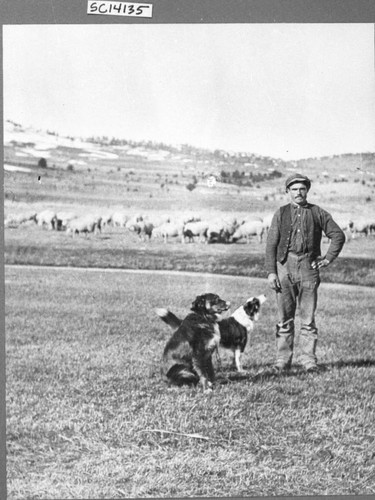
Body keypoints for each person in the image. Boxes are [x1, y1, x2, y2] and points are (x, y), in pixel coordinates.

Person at [265, 173, 346, 373]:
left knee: (308, 319)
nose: (298, 192)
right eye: (294, 189)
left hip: (309, 268)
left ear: (307, 190)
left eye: (302, 189)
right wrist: (271, 272)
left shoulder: (317, 212)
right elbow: (271, 244)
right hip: (284, 267)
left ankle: (309, 362)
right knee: (285, 318)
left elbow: (338, 235)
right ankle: (282, 362)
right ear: (288, 192)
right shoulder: (281, 213)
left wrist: (327, 258)